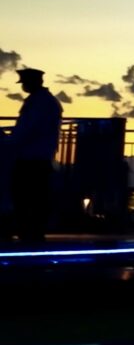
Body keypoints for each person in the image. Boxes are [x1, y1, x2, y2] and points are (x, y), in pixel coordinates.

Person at [9, 66, 64, 242]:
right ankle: (33, 233)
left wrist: (10, 142)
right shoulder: (46, 101)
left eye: (24, 83)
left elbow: (27, 130)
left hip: (31, 158)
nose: (23, 86)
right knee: (36, 198)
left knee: (27, 198)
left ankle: (29, 234)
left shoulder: (38, 103)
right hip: (40, 156)